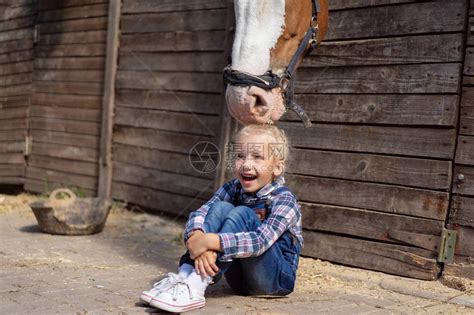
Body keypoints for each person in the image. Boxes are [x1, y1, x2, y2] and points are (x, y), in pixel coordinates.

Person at [140, 124, 303, 313]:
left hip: (273, 282)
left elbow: (260, 241)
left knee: (243, 214)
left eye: (257, 157)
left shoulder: (284, 200)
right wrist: (196, 236)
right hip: (239, 281)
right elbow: (202, 212)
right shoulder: (234, 187)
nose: (246, 164)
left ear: (277, 168)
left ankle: (196, 284)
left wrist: (211, 241)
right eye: (241, 156)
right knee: (220, 207)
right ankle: (184, 276)